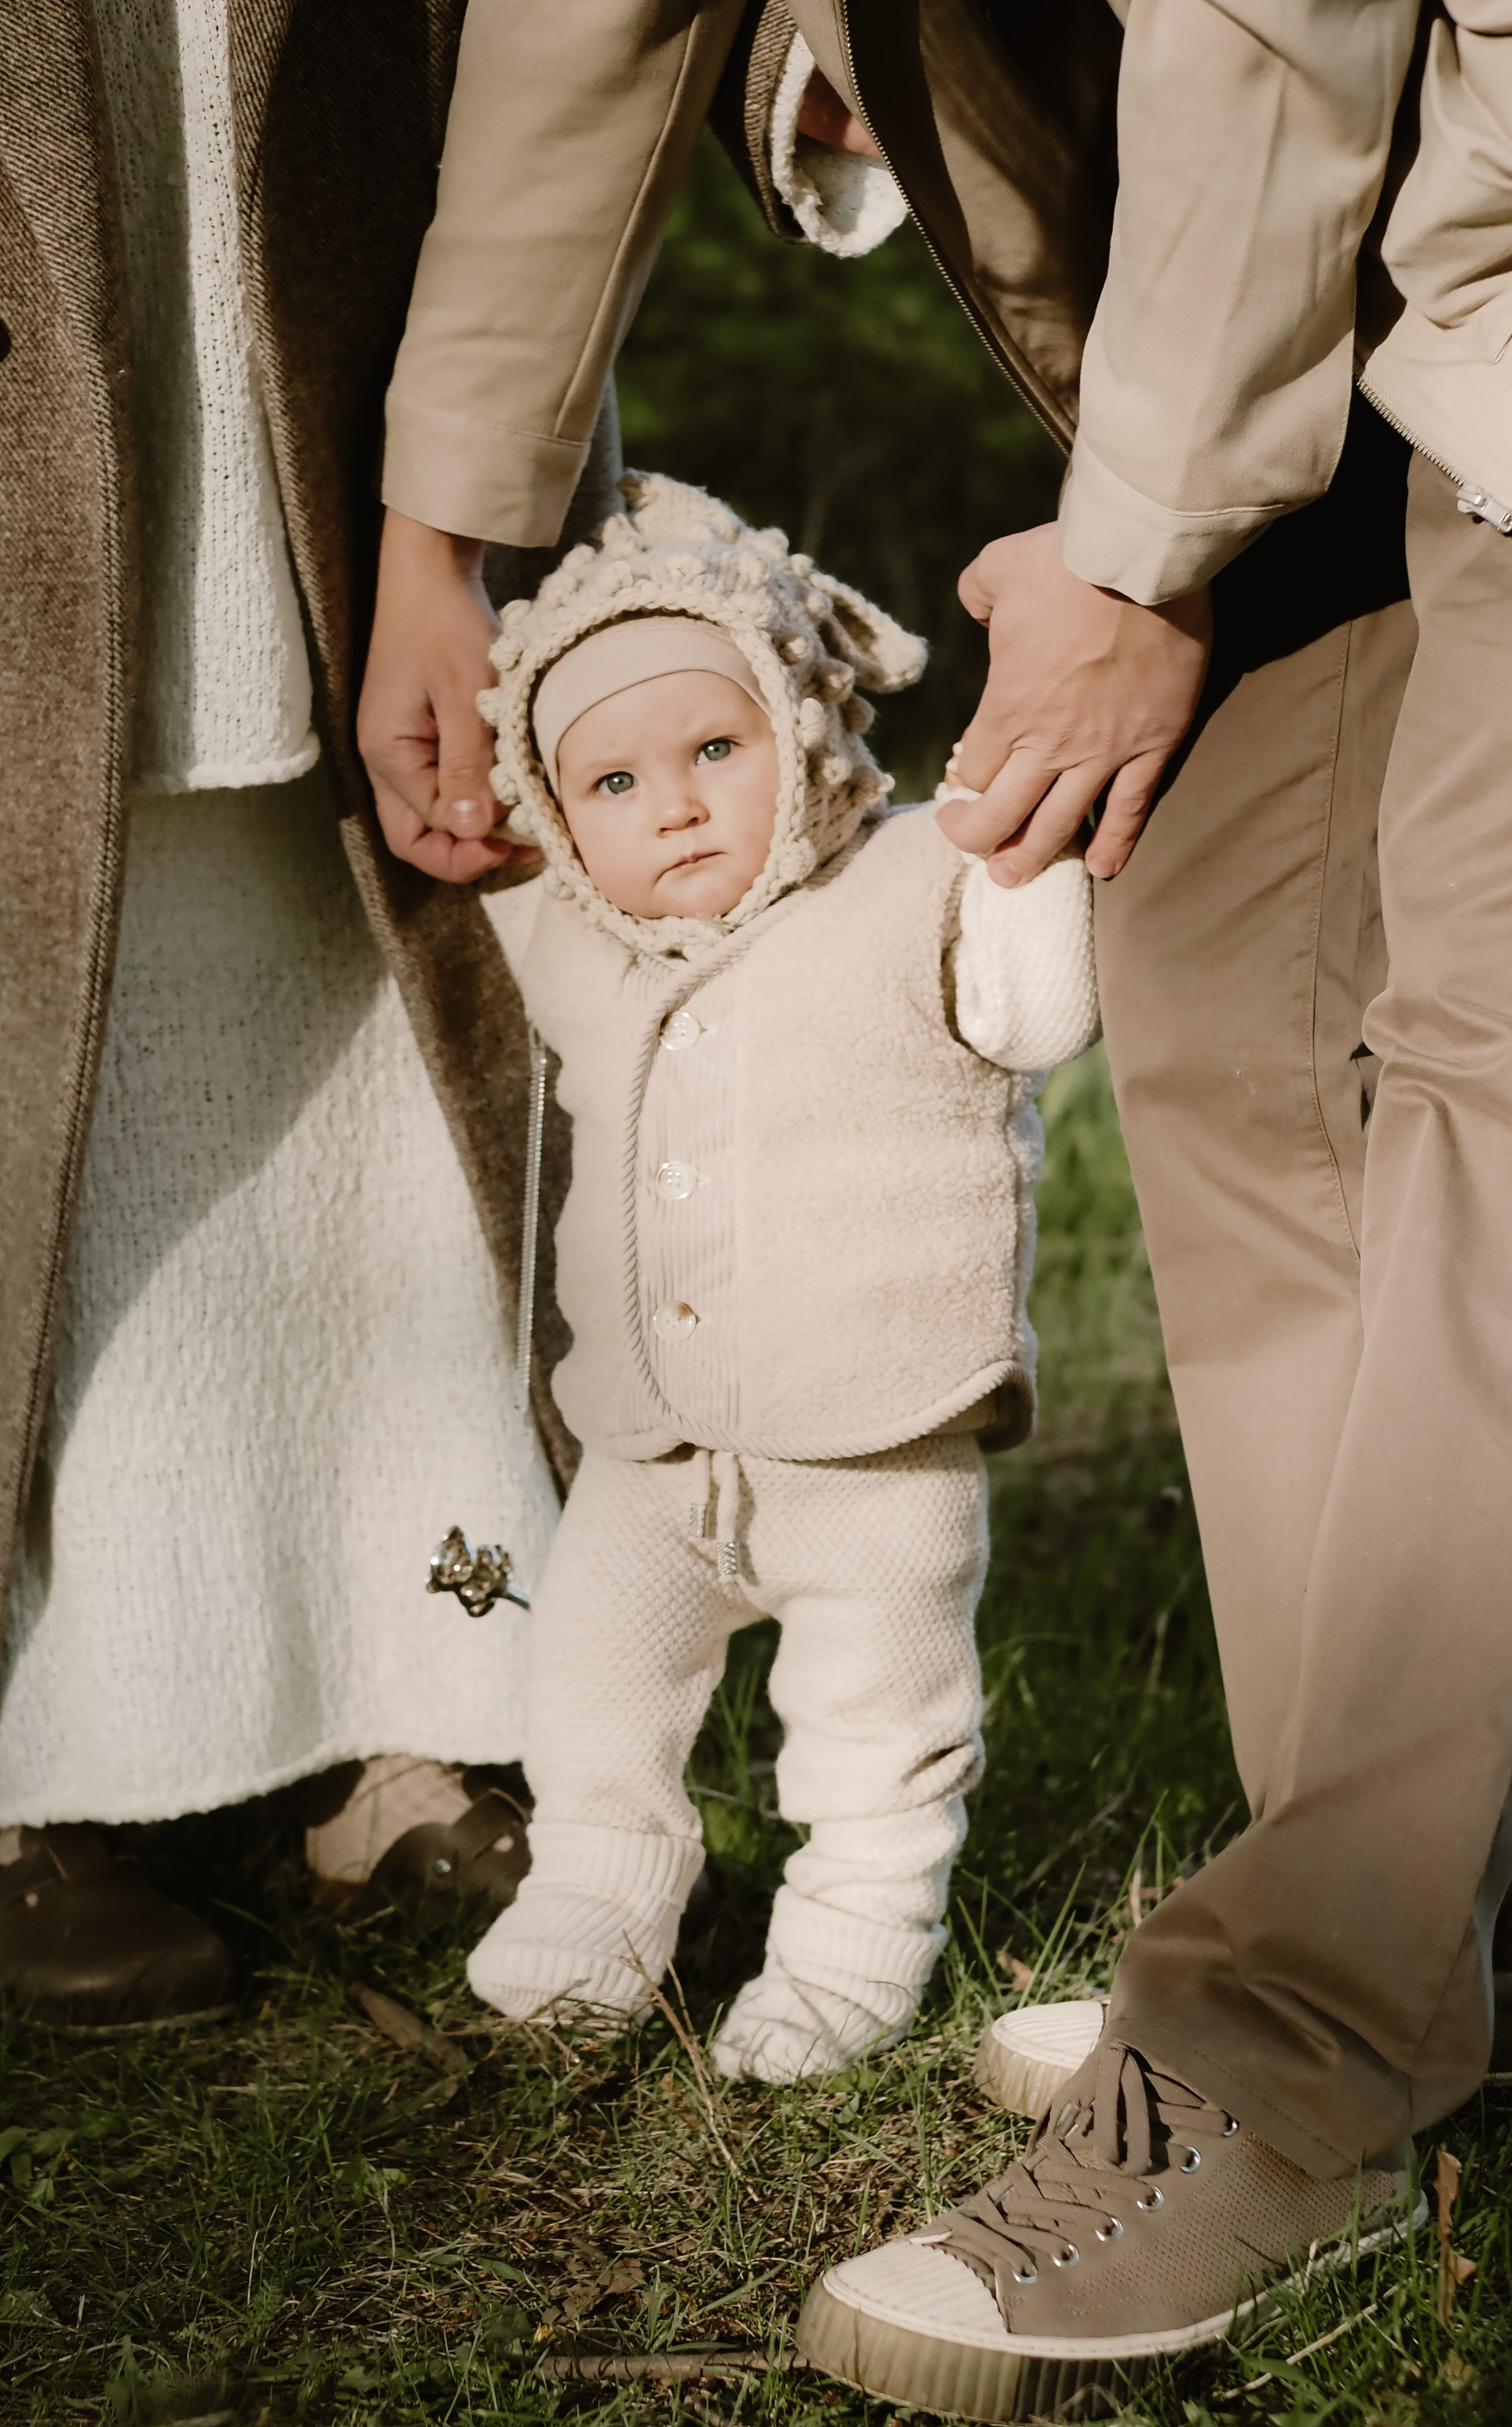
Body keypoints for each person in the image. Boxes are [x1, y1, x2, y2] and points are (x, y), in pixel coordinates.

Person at [361, 0, 1512, 2416]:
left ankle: (1294, 2049)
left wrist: (1141, 545)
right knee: (1228, 1004)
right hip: (1306, 316)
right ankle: (1488, 1911)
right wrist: (445, 538)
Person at [0, 2, 619, 2029]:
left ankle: (427, 1710)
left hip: (394, 459)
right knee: (69, 1153)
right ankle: (62, 1778)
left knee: (398, 1099)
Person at [457, 475, 1095, 2081]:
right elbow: (463, 875)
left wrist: (1025, 848)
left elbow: (1038, 1016)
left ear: (801, 734)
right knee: (591, 1690)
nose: (671, 807)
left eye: (714, 751)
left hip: (873, 1438)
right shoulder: (570, 936)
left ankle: (851, 1945)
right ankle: (596, 1899)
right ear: (556, 813)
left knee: (875, 1726)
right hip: (647, 1448)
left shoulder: (914, 875)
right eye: (612, 780)